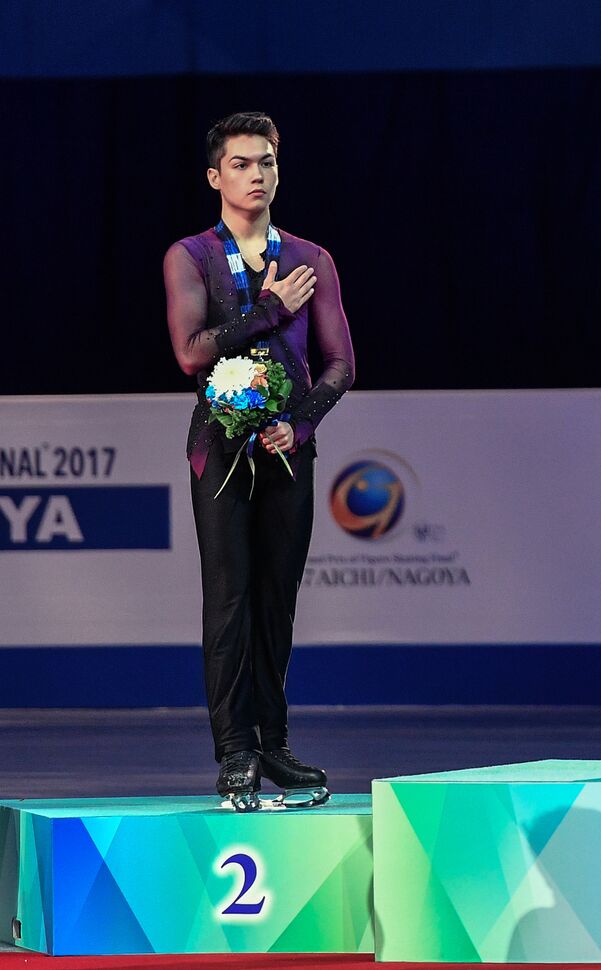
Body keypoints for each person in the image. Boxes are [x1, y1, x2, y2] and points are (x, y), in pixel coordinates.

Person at [164, 111, 355, 810]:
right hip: (217, 451)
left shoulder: (311, 257)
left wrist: (298, 427)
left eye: (267, 162)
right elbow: (191, 353)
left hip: (286, 453)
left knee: (277, 601)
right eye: (242, 164)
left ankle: (273, 742)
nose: (257, 175)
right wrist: (269, 308)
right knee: (230, 599)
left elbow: (340, 365)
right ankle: (235, 751)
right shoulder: (191, 256)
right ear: (216, 177)